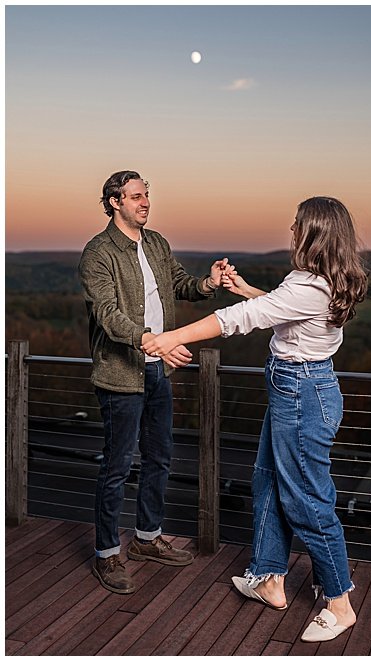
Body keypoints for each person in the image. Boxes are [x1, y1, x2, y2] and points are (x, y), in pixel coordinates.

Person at [143, 196, 371, 643]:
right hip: (294, 392)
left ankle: (340, 603)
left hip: (303, 396)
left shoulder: (310, 285)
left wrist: (170, 336)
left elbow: (239, 321)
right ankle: (269, 578)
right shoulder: (314, 280)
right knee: (267, 479)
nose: (291, 231)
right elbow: (280, 310)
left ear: (314, 233)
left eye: (296, 226)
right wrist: (246, 288)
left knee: (307, 499)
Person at [79, 170, 231, 593]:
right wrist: (152, 342)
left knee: (160, 458)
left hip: (157, 372)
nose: (145, 203)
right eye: (136, 197)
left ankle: (147, 540)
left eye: (147, 195)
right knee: (117, 466)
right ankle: (107, 555)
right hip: (120, 374)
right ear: (114, 202)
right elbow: (107, 315)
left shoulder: (158, 243)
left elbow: (179, 285)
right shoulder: (98, 253)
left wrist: (208, 283)